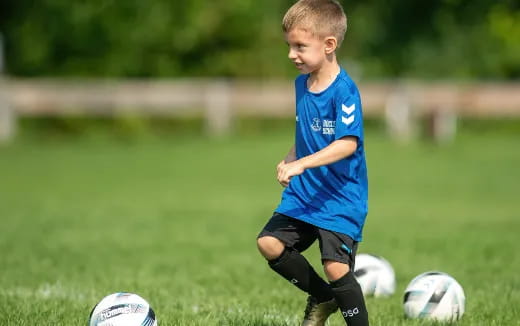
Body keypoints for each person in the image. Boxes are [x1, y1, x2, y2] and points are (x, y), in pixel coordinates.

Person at [256, 1, 369, 325]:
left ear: (329, 44)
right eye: (290, 45)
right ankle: (322, 297)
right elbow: (306, 133)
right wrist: (291, 157)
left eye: (300, 46)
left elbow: (347, 143)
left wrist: (301, 164)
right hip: (305, 194)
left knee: (336, 268)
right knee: (269, 243)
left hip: (340, 197)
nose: (292, 54)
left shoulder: (345, 92)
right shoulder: (300, 84)